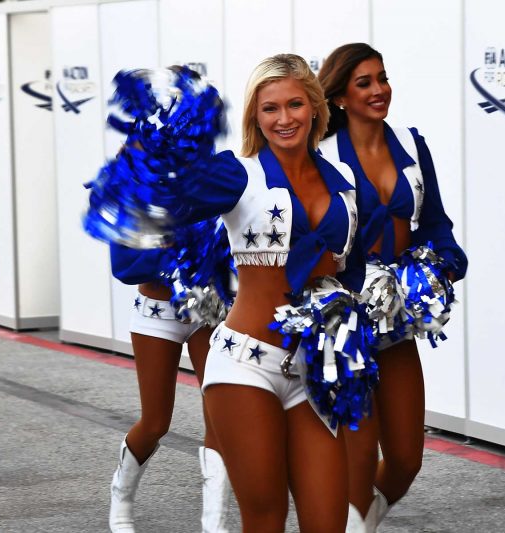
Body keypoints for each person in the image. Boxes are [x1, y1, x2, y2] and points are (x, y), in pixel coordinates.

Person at [88, 56, 372, 532]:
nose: (284, 119)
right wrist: (144, 172)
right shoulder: (236, 174)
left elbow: (352, 272)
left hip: (312, 370)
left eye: (295, 104)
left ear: (316, 108)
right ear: (255, 117)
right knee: (264, 520)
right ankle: (131, 506)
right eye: (270, 108)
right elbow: (148, 226)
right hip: (245, 363)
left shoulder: (343, 184)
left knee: (328, 523)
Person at [318, 43, 467, 531]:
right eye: (364, 82)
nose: (380, 90)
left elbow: (435, 223)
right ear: (339, 95)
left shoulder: (410, 142)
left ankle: (360, 523)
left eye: (382, 78)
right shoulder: (320, 155)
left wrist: (441, 264)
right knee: (356, 466)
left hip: (396, 320)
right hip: (344, 328)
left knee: (405, 460)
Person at [107, 242, 231, 533]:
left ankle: (215, 523)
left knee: (219, 423)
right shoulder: (143, 195)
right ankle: (121, 497)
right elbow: (125, 265)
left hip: (210, 307)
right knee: (155, 423)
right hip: (156, 310)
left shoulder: (212, 193)